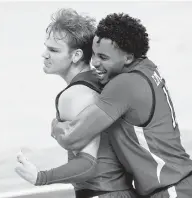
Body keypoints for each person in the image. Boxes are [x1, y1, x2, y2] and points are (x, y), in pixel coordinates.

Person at [51, 12, 192, 198]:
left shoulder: (123, 85)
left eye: (103, 57)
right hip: (180, 182)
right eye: (93, 54)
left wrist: (55, 125)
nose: (94, 63)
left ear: (128, 58)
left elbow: (71, 138)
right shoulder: (147, 68)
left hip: (171, 190)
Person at [15, 9, 138, 198]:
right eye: (46, 47)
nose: (44, 55)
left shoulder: (74, 96)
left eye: (53, 50)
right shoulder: (102, 83)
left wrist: (39, 177)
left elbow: (87, 164)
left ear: (76, 55)